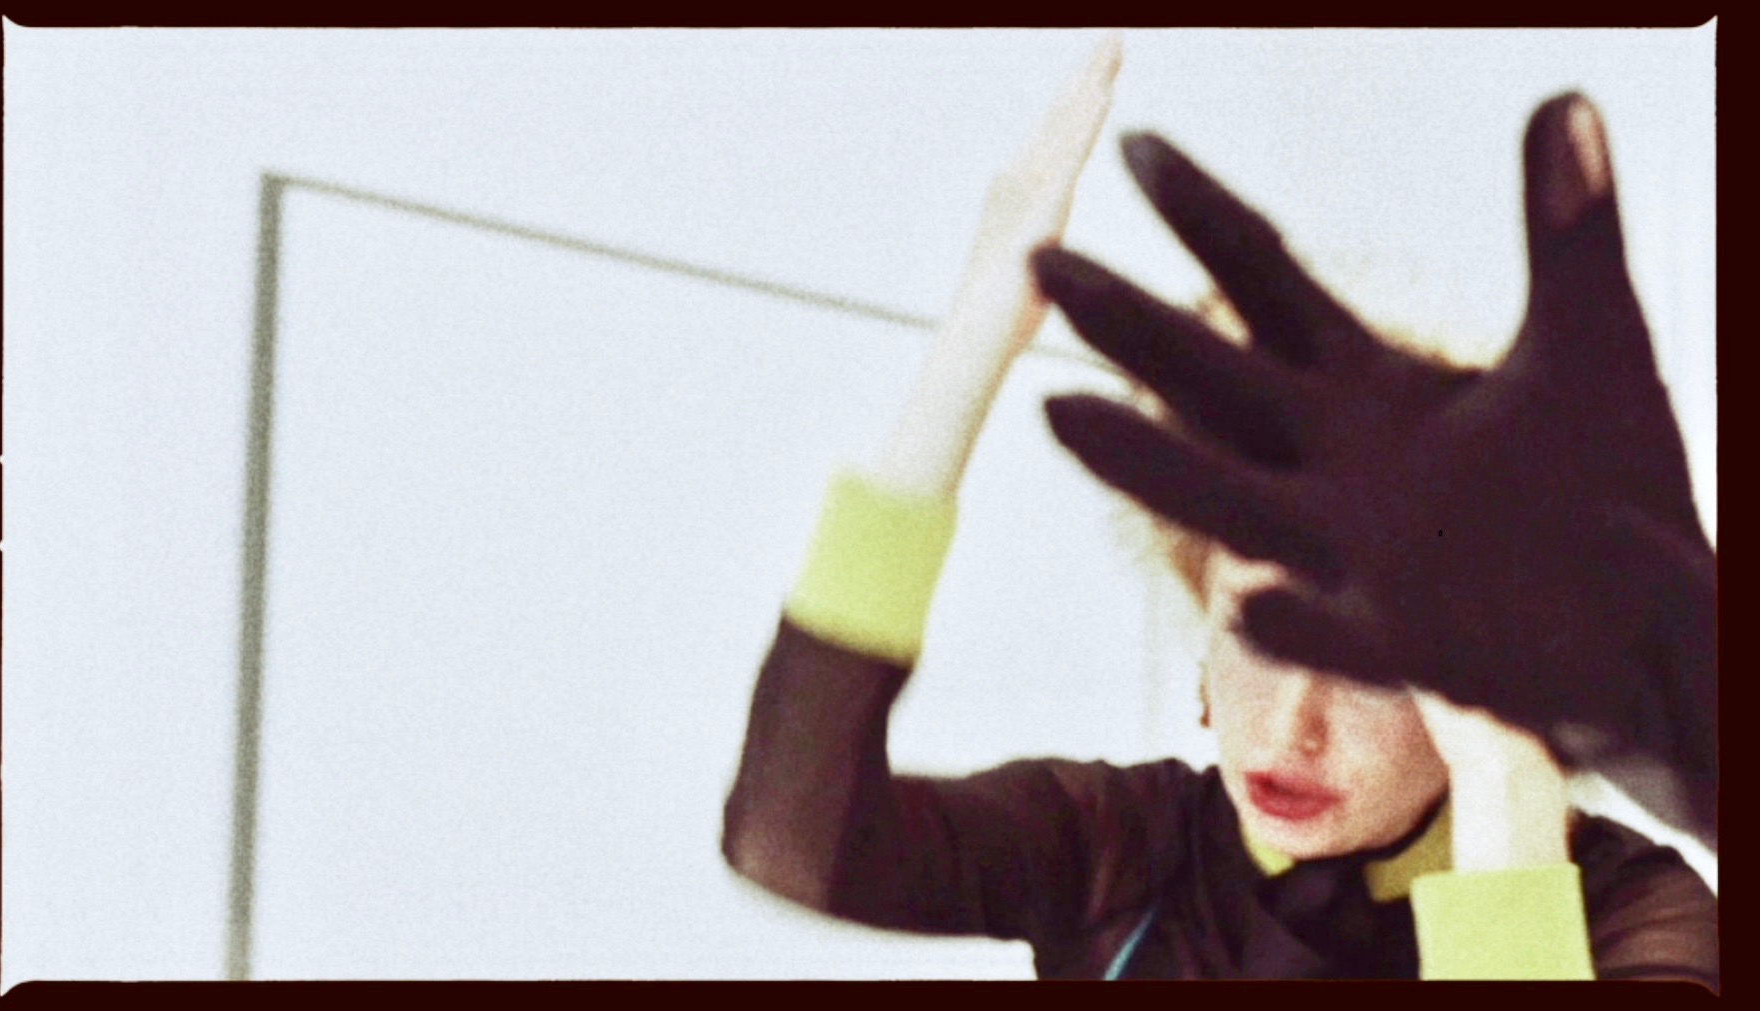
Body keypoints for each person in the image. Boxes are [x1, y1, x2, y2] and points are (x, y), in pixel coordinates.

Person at [721, 34, 1716, 982]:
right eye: (1258, 630)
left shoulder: (1640, 913)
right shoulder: (1125, 843)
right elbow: (791, 838)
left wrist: (1504, 773)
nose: (1292, 726)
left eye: (1372, 669)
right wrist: (977, 335)